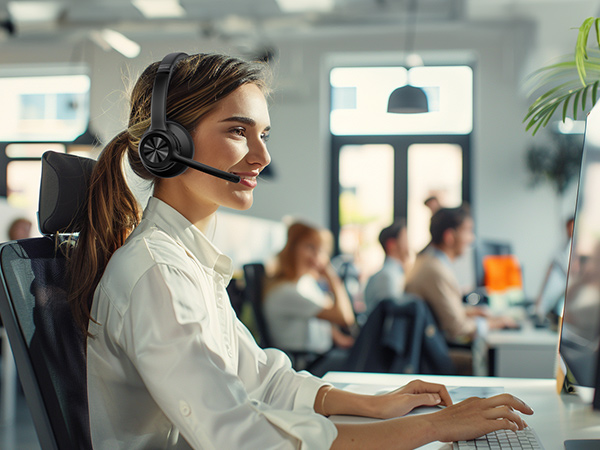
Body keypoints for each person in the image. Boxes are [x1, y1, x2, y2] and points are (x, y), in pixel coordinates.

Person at [67, 52, 532, 449]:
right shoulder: (157, 272)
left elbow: (263, 378)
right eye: (237, 131)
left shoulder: (187, 263)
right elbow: (239, 435)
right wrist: (428, 427)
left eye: (263, 134)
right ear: (166, 148)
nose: (261, 156)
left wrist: (378, 404)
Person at [406, 206, 518, 344]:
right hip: (435, 355)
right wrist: (496, 323)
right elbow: (458, 328)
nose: (472, 238)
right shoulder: (435, 271)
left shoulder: (427, 262)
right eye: (468, 231)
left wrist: (472, 312)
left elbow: (441, 312)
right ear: (449, 236)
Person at [263, 222, 356, 371]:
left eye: (320, 250)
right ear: (292, 249)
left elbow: (322, 313)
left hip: (320, 356)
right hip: (306, 365)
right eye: (310, 247)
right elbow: (345, 318)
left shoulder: (306, 283)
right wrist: (331, 277)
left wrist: (337, 337)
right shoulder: (287, 292)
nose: (318, 256)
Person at [363, 219, 411, 314]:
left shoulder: (397, 273)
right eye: (405, 240)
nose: (409, 244)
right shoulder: (387, 276)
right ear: (391, 245)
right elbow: (392, 317)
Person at [534, 216, 575, 323]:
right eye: (568, 227)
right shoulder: (561, 248)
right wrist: (540, 296)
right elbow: (550, 271)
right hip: (555, 291)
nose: (570, 230)